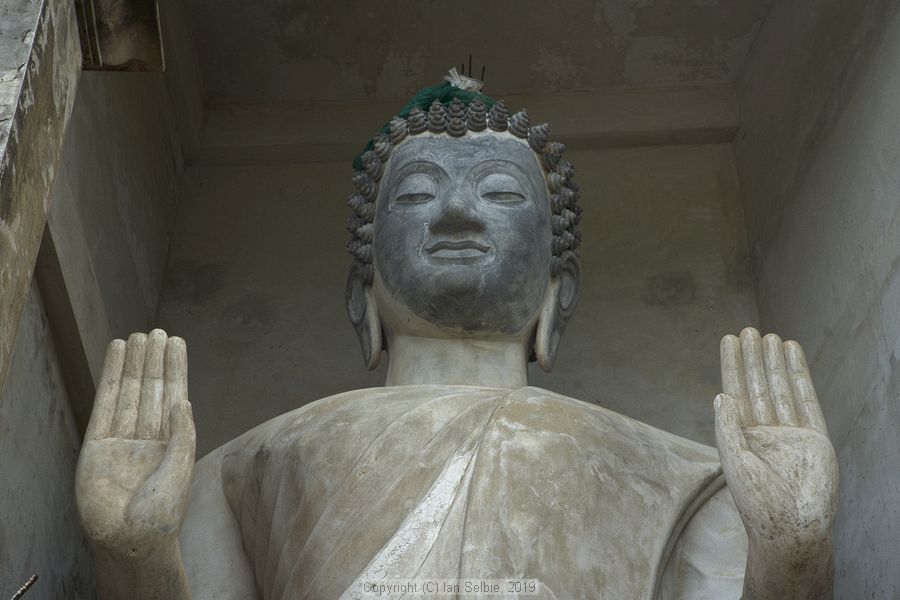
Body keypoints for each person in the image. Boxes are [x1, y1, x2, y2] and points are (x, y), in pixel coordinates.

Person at [75, 72, 838, 599]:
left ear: (555, 295)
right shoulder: (248, 467)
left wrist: (791, 553)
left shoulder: (680, 477)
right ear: (361, 296)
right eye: (416, 193)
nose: (458, 214)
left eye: (501, 193)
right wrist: (135, 555)